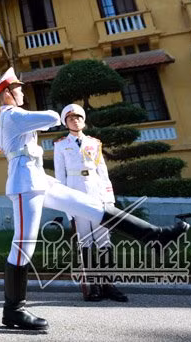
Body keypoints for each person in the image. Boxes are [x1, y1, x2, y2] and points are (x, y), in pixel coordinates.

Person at [0, 68, 189, 331]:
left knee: (95, 207)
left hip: (38, 179)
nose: (22, 92)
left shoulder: (2, 124)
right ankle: (14, 311)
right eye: (19, 89)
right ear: (8, 94)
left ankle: (154, 236)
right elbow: (52, 117)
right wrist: (53, 116)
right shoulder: (13, 116)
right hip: (24, 185)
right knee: (23, 248)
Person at [54, 103, 127, 303]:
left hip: (97, 194)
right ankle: (92, 285)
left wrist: (109, 200)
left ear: (84, 120)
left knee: (104, 241)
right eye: (70, 118)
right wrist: (66, 206)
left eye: (78, 117)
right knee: (84, 242)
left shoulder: (94, 143)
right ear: (65, 122)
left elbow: (103, 172)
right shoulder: (60, 145)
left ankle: (109, 284)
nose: (75, 120)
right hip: (76, 197)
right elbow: (60, 177)